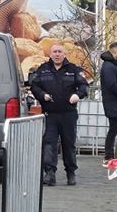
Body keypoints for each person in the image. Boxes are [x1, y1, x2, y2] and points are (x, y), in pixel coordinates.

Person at [29, 42, 89, 186]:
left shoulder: (73, 70)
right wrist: (42, 95)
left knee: (68, 144)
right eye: (54, 52)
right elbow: (34, 86)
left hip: (68, 114)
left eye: (59, 52)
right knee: (49, 143)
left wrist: (77, 94)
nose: (57, 54)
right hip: (50, 114)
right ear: (50, 54)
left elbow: (83, 86)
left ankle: (71, 173)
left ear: (64, 54)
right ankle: (49, 173)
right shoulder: (43, 70)